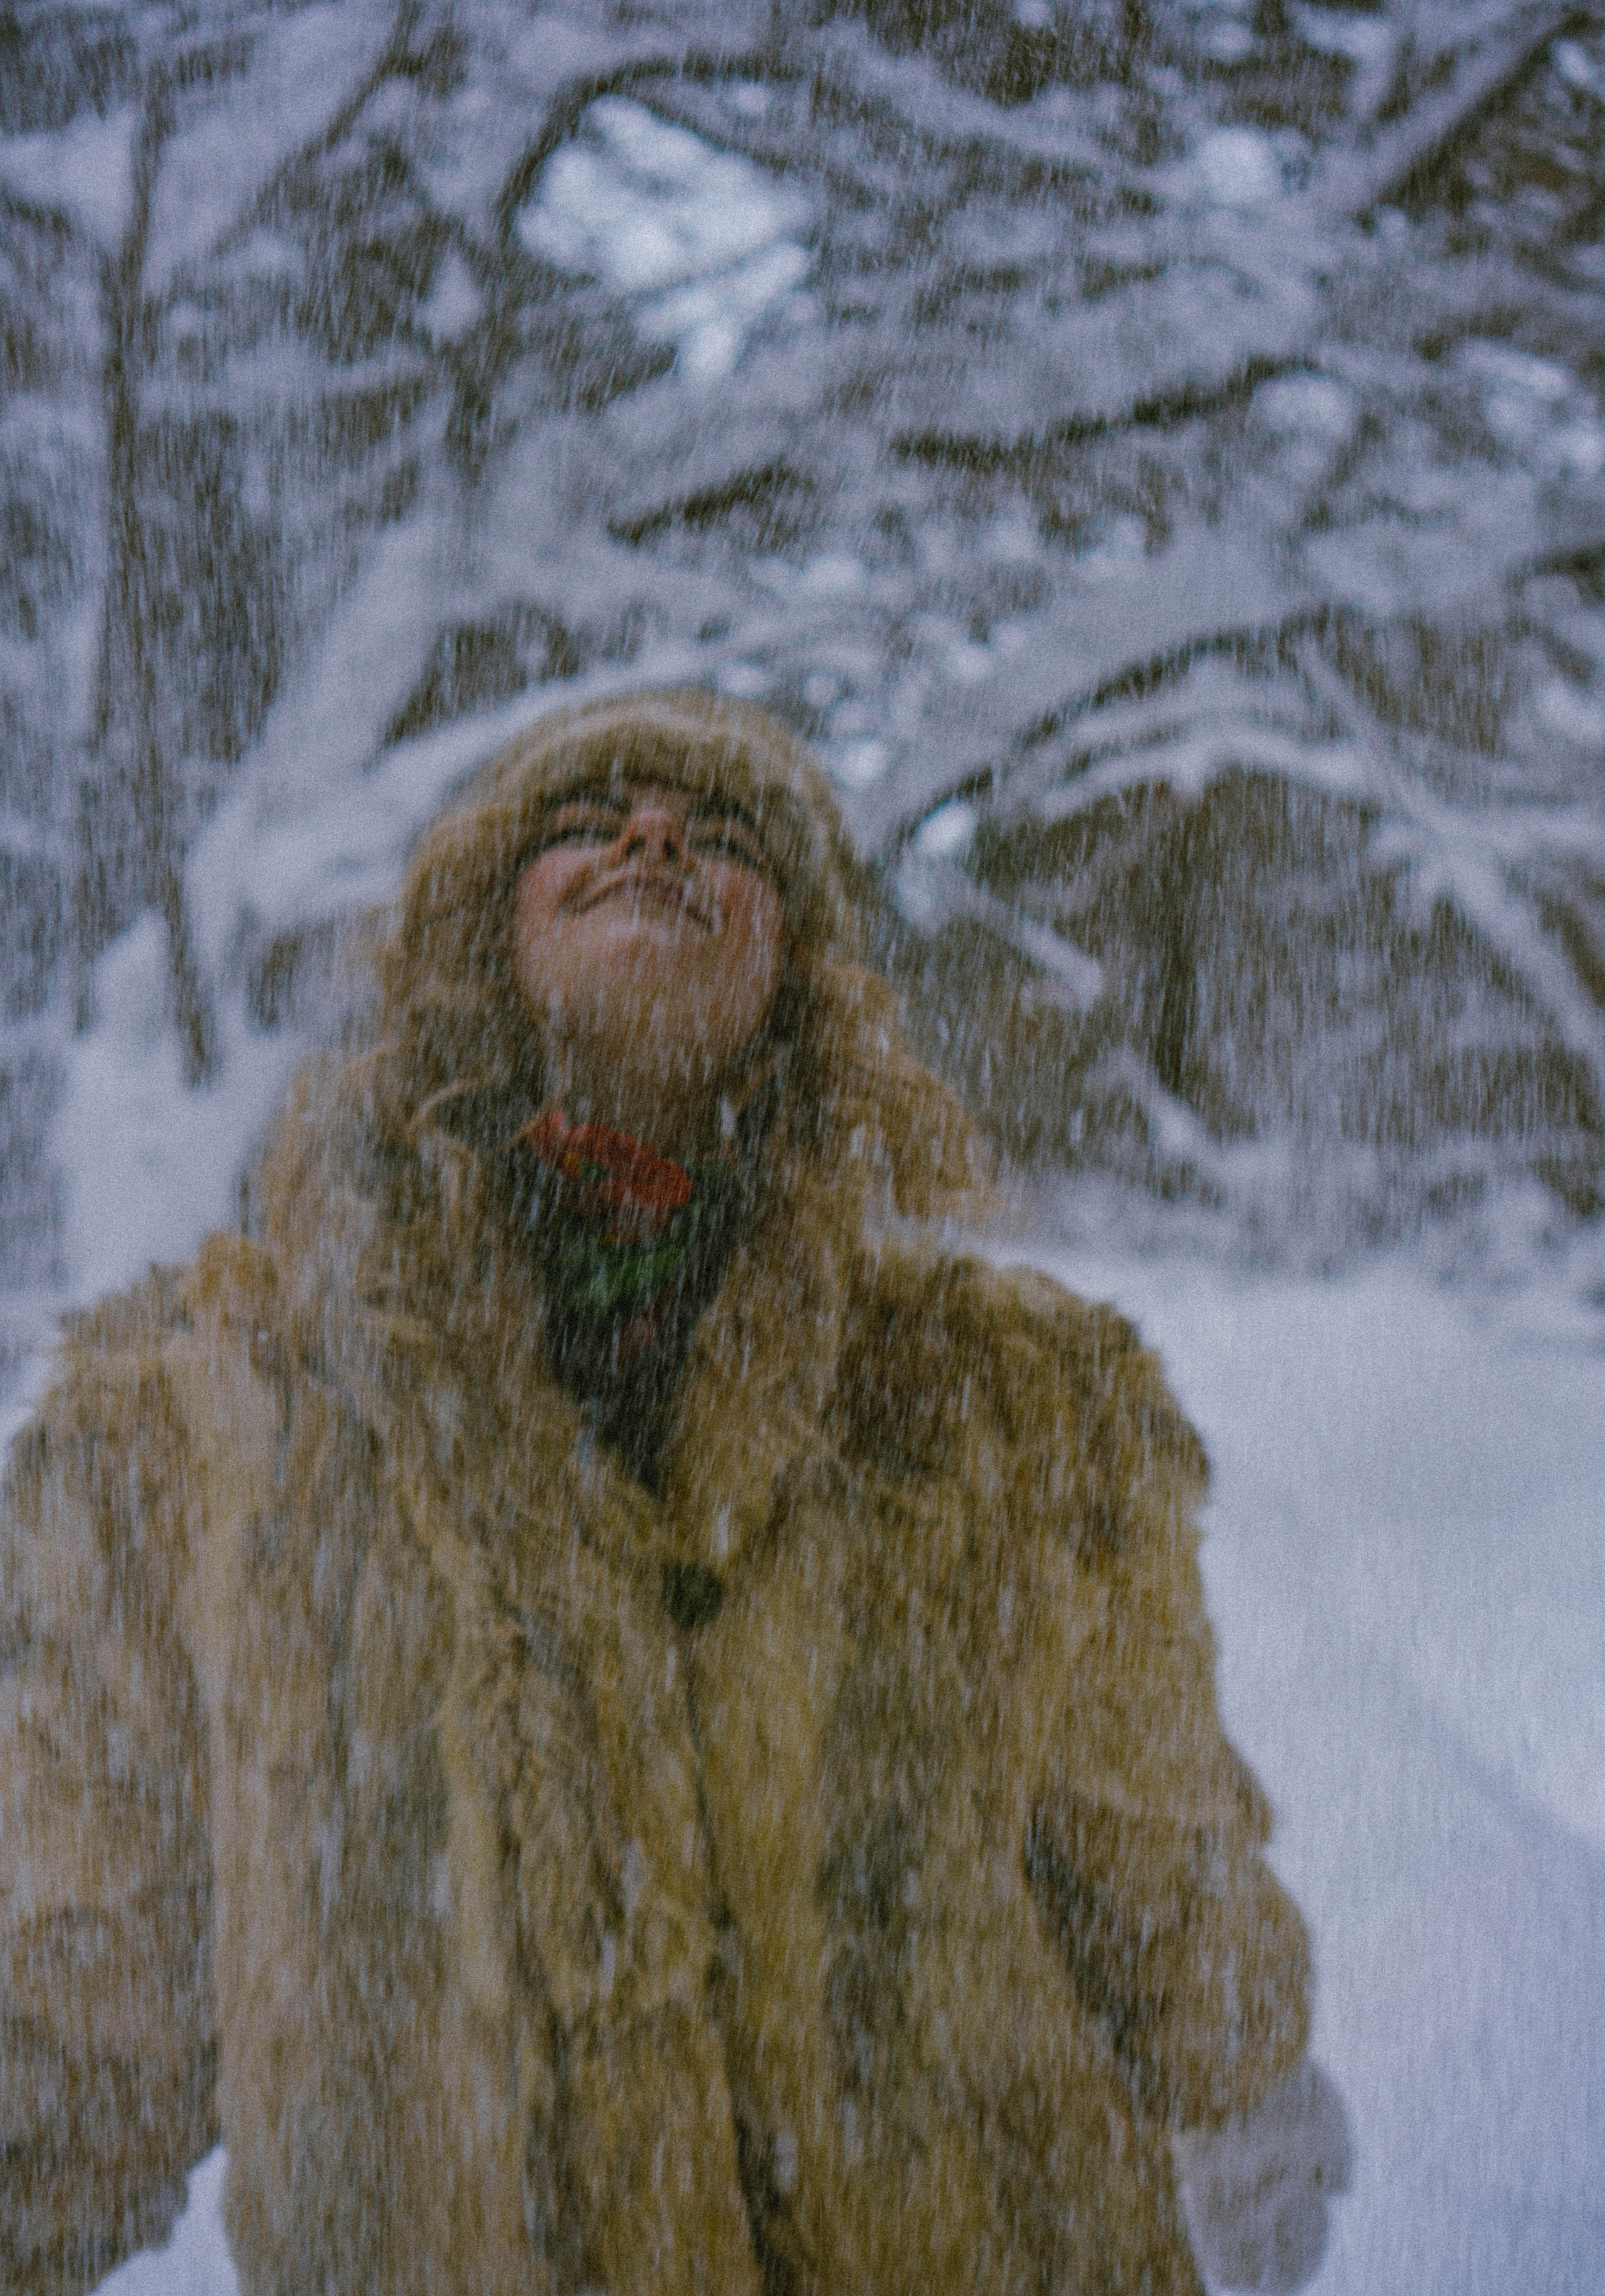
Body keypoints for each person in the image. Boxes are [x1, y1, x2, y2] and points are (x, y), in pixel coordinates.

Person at [0, 690, 1339, 2296]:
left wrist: (1239, 2088)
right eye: (589, 822)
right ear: (479, 932)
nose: (653, 840)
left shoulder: (1007, 1407)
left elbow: (1149, 1841)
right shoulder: (192, 1429)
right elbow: (74, 1971)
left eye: (724, 838)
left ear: (800, 978)